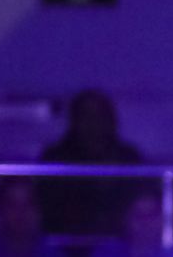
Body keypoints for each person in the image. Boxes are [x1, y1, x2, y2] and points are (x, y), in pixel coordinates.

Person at [37, 88, 146, 246]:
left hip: (121, 248)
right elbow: (46, 208)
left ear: (111, 120)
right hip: (64, 247)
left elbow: (142, 205)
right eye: (86, 115)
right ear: (74, 120)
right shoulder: (55, 159)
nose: (93, 123)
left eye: (100, 115)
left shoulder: (129, 158)